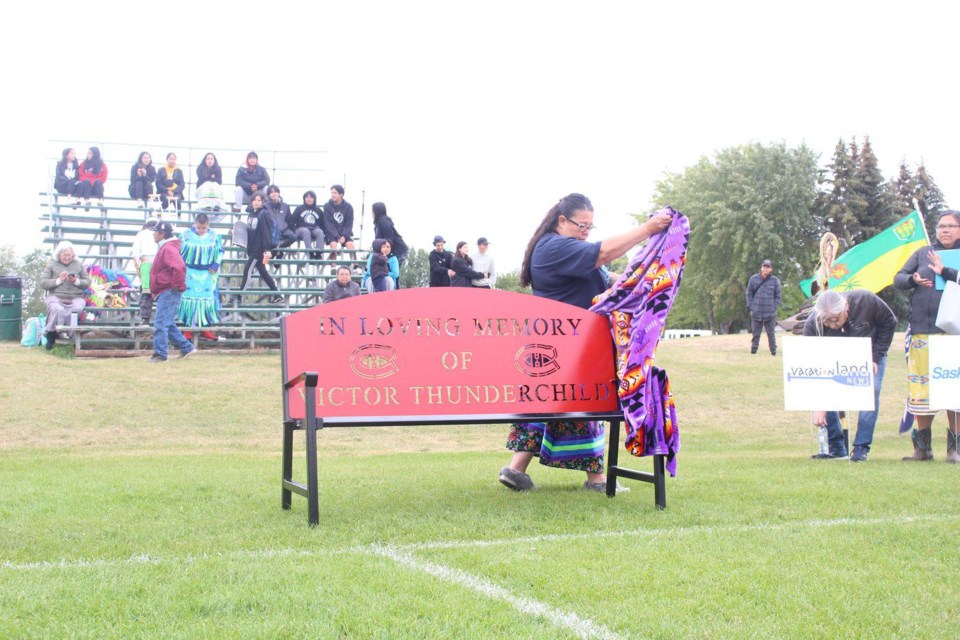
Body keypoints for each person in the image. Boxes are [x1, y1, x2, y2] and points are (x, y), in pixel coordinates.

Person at [498, 193, 671, 493]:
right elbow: (602, 254)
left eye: (590, 227)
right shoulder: (554, 246)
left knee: (550, 406)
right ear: (561, 221)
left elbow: (607, 275)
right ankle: (596, 480)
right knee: (588, 403)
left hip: (559, 346)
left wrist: (647, 278)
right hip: (566, 346)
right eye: (581, 226)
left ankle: (517, 470)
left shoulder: (566, 249)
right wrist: (648, 229)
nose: (586, 232)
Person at [894, 210, 960, 463]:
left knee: (954, 390)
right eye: (941, 226)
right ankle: (922, 448)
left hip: (954, 335)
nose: (944, 230)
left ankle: (955, 449)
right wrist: (913, 278)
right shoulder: (923, 252)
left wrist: (946, 271)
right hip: (923, 332)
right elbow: (898, 279)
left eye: (951, 226)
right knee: (922, 391)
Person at [803, 289, 897, 461]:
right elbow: (814, 365)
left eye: (836, 319)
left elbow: (889, 322)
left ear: (846, 307)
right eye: (827, 321)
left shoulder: (866, 300)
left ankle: (861, 448)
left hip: (870, 355)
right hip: (832, 359)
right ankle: (837, 447)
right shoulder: (813, 324)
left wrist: (876, 356)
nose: (832, 325)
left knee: (871, 390)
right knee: (826, 393)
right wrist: (818, 404)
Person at [148, 221, 196, 362]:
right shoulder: (168, 247)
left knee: (161, 323)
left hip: (168, 290)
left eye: (155, 232)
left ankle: (160, 354)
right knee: (167, 322)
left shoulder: (167, 248)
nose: (153, 234)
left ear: (162, 234)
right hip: (168, 289)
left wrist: (176, 286)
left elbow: (179, 267)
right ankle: (186, 347)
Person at [178, 213, 224, 342]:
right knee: (189, 301)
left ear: (208, 224)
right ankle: (188, 330)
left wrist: (216, 264)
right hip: (190, 272)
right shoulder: (185, 235)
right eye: (199, 227)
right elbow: (178, 251)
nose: (201, 230)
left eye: (203, 228)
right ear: (195, 223)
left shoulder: (214, 236)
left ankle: (205, 329)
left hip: (208, 273)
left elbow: (220, 251)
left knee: (206, 302)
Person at [39, 241, 90, 350]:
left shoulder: (78, 264)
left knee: (77, 308)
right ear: (59, 254)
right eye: (64, 255)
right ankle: (51, 335)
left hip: (75, 296)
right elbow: (43, 282)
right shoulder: (52, 263)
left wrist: (76, 281)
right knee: (56, 308)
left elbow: (87, 282)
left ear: (73, 255)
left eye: (69, 255)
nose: (67, 257)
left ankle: (72, 337)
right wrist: (59, 280)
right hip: (56, 295)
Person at [237, 193, 282, 303]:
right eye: (254, 200)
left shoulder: (264, 214)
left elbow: (265, 232)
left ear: (262, 202)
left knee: (247, 270)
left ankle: (240, 295)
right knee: (263, 272)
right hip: (252, 248)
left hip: (259, 249)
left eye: (259, 200)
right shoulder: (251, 214)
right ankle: (277, 295)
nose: (256, 202)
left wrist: (266, 249)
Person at [745, 258, 782, 355]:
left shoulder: (775, 281)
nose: (766, 269)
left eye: (768, 267)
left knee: (771, 334)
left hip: (770, 313)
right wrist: (750, 306)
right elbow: (749, 293)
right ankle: (753, 351)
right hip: (756, 311)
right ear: (761, 268)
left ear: (771, 269)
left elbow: (778, 297)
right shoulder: (754, 279)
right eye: (764, 266)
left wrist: (774, 308)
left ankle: (773, 352)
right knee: (755, 334)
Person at [131, 218, 160, 326]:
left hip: (147, 264)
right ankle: (154, 320)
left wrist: (138, 267)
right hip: (156, 264)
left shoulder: (141, 234)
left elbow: (135, 253)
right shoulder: (160, 234)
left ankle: (145, 319)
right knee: (154, 293)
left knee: (146, 293)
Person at [322, 184, 355, 261]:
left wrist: (343, 235)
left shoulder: (348, 207)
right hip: (332, 233)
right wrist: (337, 236)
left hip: (344, 233)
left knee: (350, 245)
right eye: (332, 193)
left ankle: (355, 265)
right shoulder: (327, 206)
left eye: (335, 193)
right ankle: (333, 266)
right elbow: (328, 224)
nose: (332, 195)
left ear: (341, 194)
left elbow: (349, 224)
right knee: (333, 245)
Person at [291, 191, 326, 260]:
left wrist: (324, 232)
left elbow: (322, 224)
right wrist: (294, 230)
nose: (309, 199)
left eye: (311, 197)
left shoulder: (318, 210)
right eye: (307, 197)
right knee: (306, 231)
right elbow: (291, 221)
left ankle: (318, 253)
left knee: (319, 232)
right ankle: (310, 253)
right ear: (304, 199)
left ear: (314, 199)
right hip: (301, 229)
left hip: (313, 229)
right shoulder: (299, 208)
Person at [372, 202, 409, 268]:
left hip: (398, 251)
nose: (372, 213)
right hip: (391, 251)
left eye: (373, 211)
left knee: (391, 271)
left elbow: (389, 241)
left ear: (376, 212)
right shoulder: (379, 223)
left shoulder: (384, 223)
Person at [264, 185, 296, 257]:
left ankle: (279, 249)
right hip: (271, 231)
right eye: (271, 192)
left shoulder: (285, 206)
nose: (273, 194)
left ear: (278, 193)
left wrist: (292, 230)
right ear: (269, 195)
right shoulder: (265, 206)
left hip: (284, 229)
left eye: (275, 191)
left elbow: (289, 220)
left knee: (293, 237)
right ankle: (276, 253)